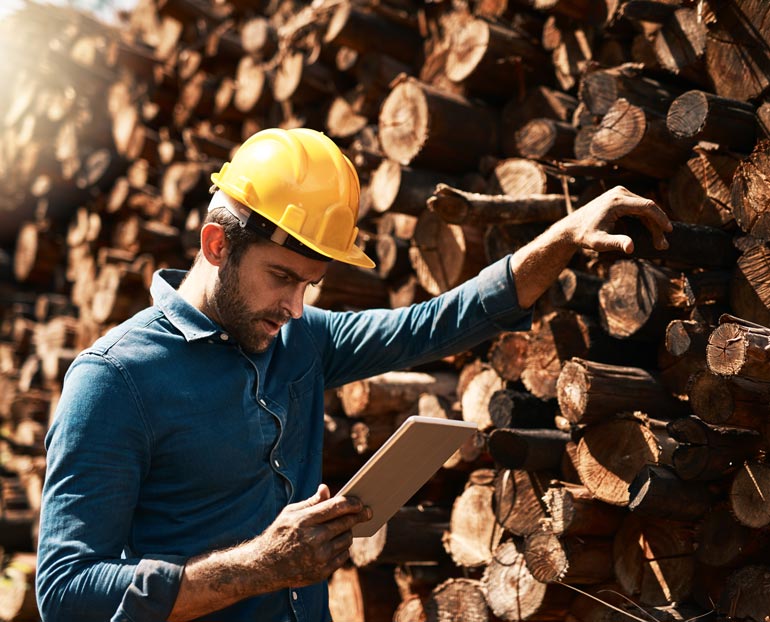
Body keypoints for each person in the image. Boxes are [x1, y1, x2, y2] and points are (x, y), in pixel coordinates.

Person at [35, 127, 672, 622]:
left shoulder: (299, 337)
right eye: (282, 276)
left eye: (309, 285)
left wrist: (560, 238)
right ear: (216, 246)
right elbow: (65, 593)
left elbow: (435, 323)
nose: (294, 307)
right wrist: (259, 567)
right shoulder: (114, 381)